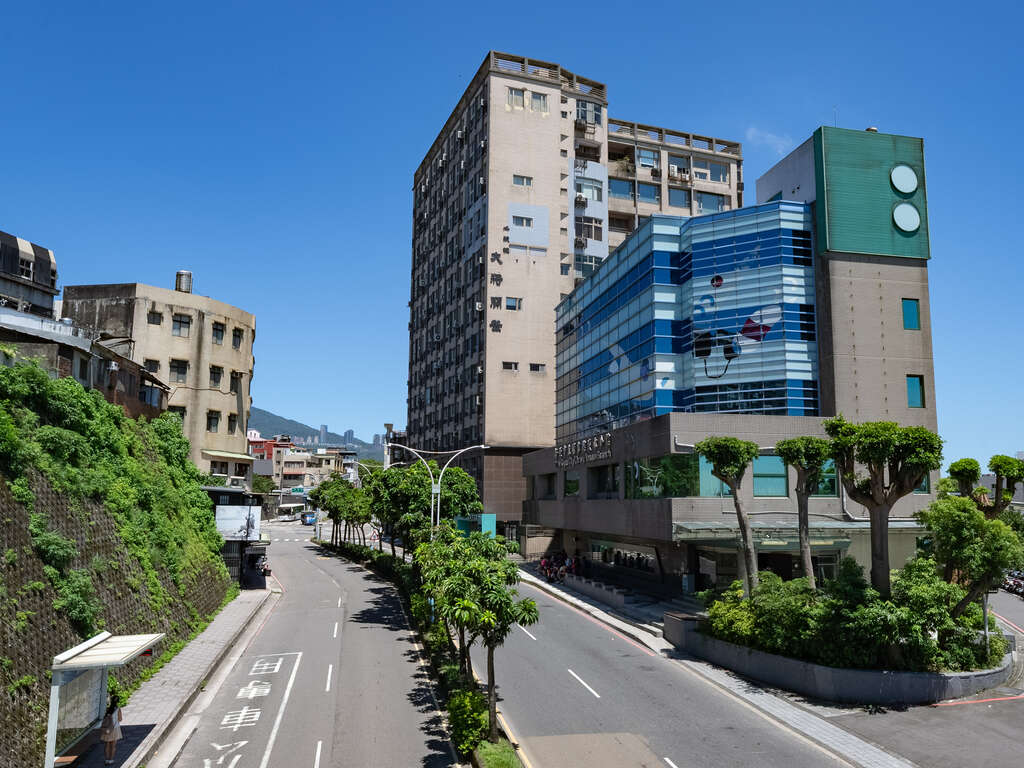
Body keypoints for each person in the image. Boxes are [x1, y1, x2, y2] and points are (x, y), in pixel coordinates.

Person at [100, 694, 123, 765]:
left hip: (107, 729)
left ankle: (106, 759)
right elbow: (120, 719)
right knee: (113, 746)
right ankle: (111, 759)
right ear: (118, 701)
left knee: (107, 744)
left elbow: (104, 718)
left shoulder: (108, 709)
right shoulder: (118, 709)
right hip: (115, 729)